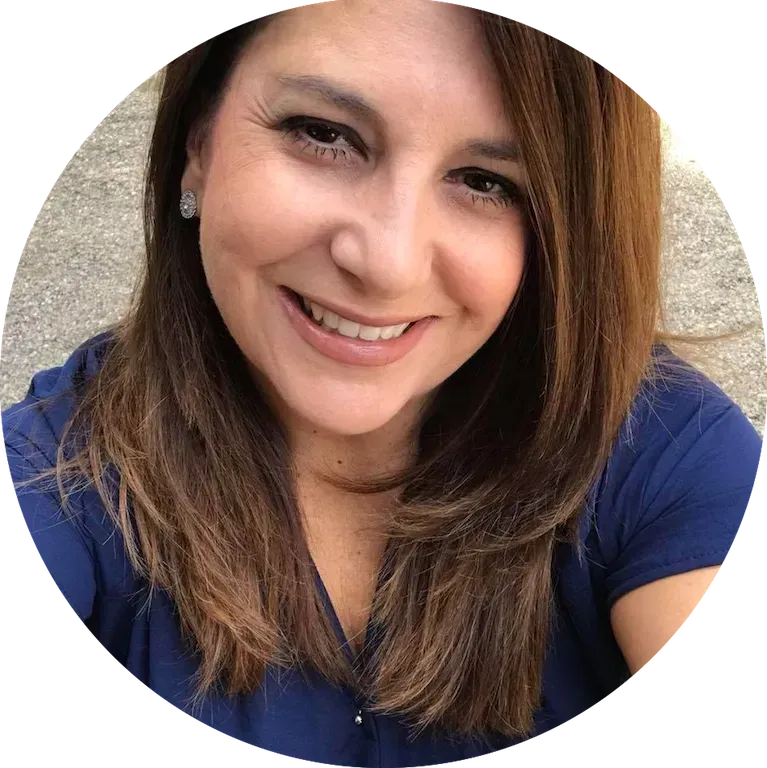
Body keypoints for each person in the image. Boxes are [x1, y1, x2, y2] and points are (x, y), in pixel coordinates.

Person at [1, 1, 762, 765]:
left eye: (485, 181)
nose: (387, 262)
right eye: (323, 134)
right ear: (198, 139)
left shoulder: (663, 457)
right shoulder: (56, 478)